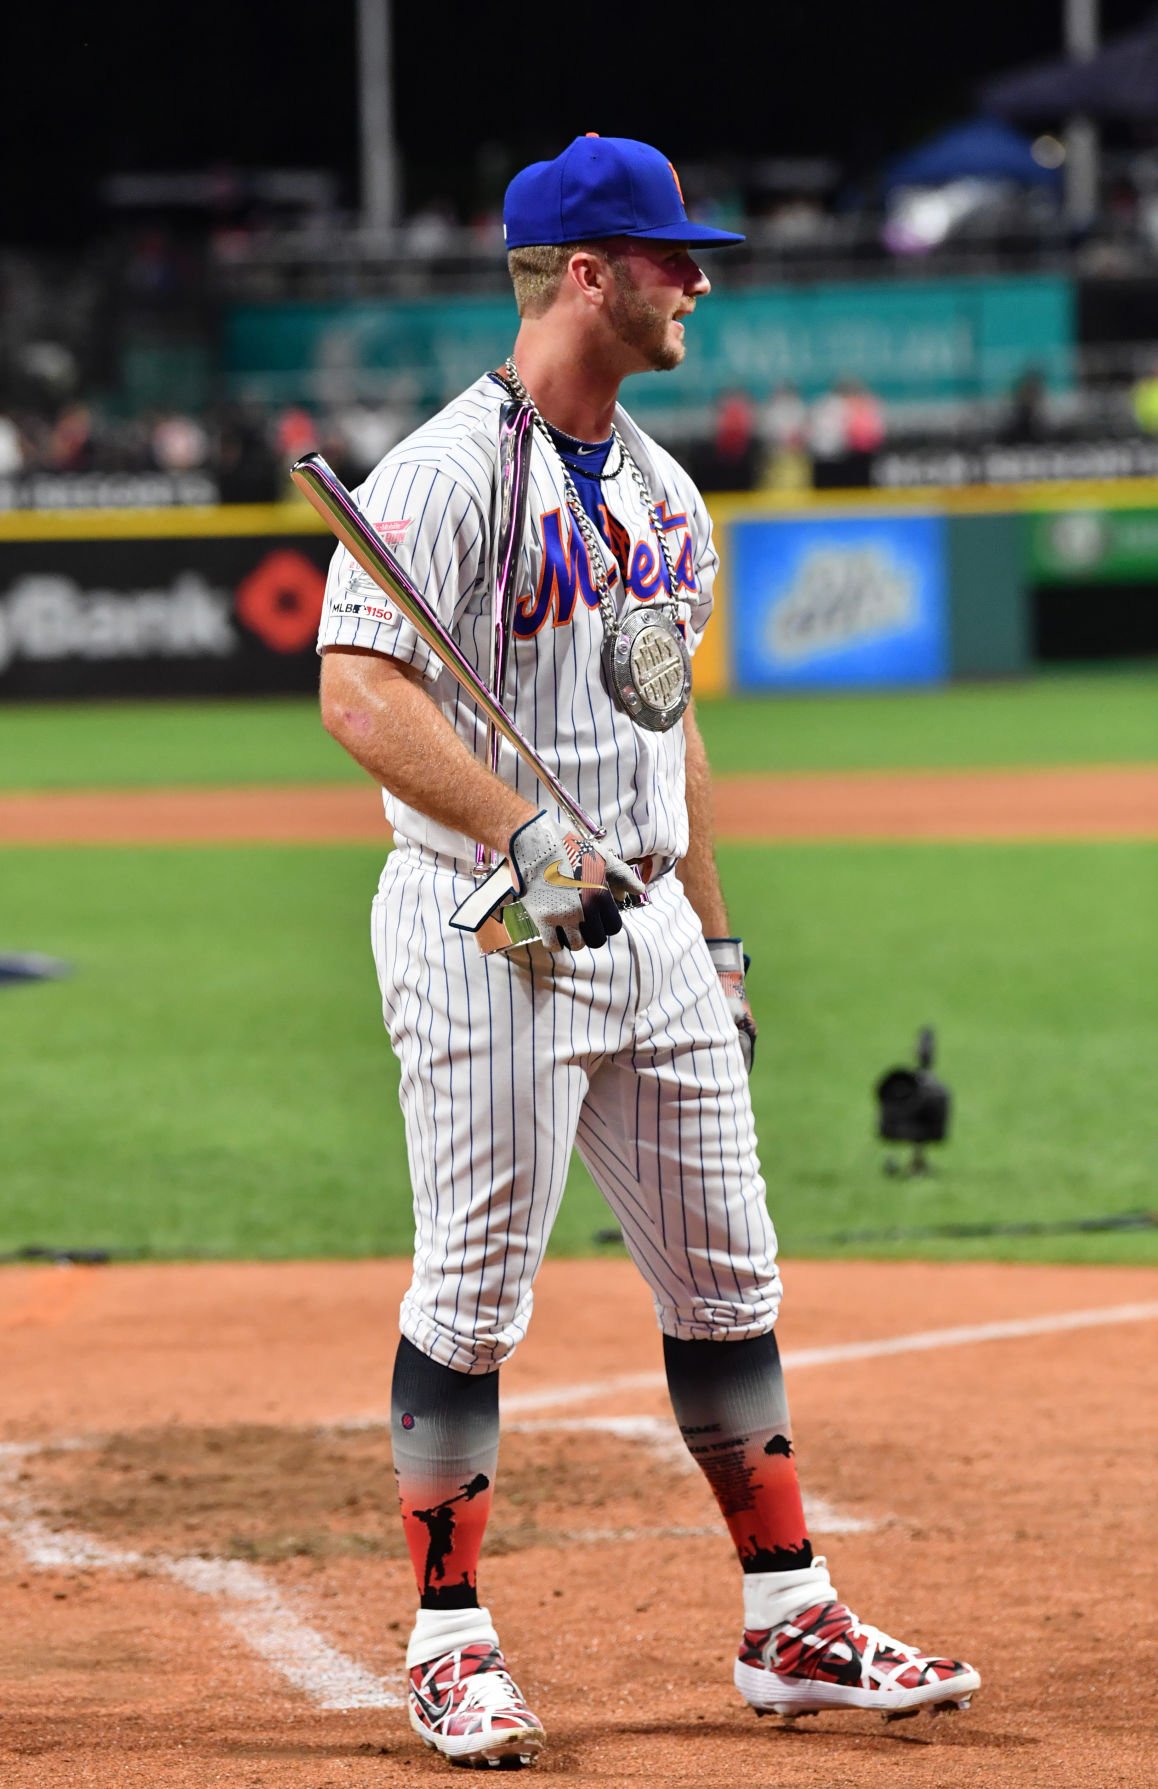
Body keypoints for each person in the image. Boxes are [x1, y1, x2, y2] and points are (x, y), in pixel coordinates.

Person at [316, 133, 980, 1771]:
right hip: (494, 931)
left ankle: (787, 1615)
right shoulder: (445, 473)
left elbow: (669, 740)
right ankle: (449, 1642)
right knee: (474, 1292)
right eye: (671, 255)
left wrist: (721, 934)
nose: (700, 278)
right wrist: (524, 833)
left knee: (728, 1277)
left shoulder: (668, 492)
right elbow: (358, 688)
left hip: (655, 934)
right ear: (586, 274)